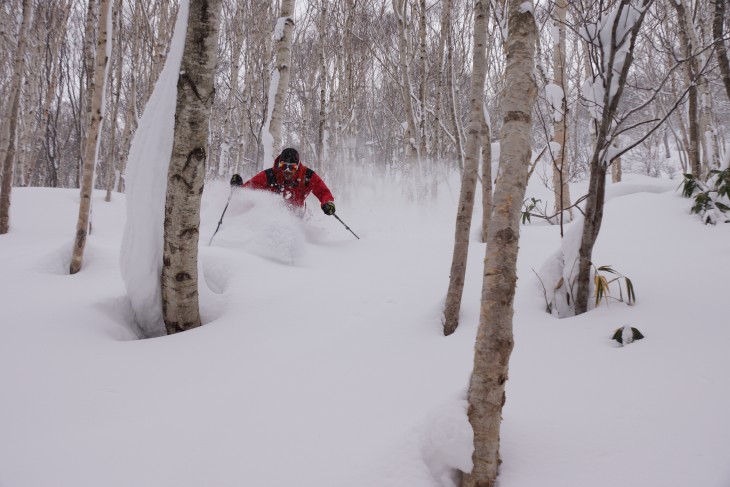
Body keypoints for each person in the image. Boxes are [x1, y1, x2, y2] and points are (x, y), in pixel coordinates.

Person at [230, 148, 336, 216]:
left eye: (292, 167)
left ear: (297, 166)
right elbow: (250, 187)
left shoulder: (307, 176)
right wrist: (237, 186)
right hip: (272, 216)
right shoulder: (271, 175)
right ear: (279, 164)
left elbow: (322, 191)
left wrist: (327, 203)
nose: (287, 171)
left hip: (297, 217)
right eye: (283, 166)